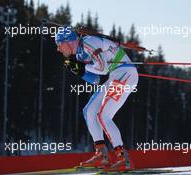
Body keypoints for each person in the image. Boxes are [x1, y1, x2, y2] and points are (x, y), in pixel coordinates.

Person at [55, 27, 138, 170]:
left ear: (68, 42)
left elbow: (102, 68)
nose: (58, 49)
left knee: (104, 115)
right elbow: (96, 80)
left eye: (59, 44)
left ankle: (122, 157)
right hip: (115, 76)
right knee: (89, 111)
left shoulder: (89, 42)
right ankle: (102, 154)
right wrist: (78, 71)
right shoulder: (80, 54)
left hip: (125, 74)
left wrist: (82, 68)